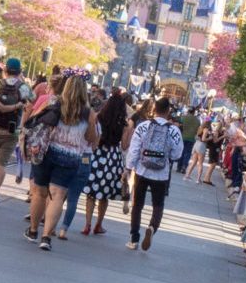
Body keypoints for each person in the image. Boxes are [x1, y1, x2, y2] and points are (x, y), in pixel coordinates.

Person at [27, 73, 98, 250]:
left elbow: (34, 120)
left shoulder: (52, 102)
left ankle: (34, 230)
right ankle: (46, 237)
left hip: (47, 152)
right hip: (71, 157)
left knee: (40, 193)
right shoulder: (88, 113)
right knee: (58, 196)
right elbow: (91, 139)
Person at [125, 99, 184, 251]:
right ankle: (152, 228)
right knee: (158, 206)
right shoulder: (174, 130)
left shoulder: (143, 126)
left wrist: (128, 167)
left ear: (154, 109)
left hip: (141, 171)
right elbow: (177, 154)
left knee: (137, 205)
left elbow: (134, 149)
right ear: (168, 110)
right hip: (161, 174)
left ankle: (134, 238)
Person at [79, 88, 131, 236]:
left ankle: (87, 225)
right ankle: (98, 225)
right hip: (113, 158)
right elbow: (124, 146)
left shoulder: (98, 117)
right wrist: (127, 132)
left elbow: (92, 136)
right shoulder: (123, 123)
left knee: (91, 193)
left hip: (97, 155)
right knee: (105, 194)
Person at [0, 57, 30, 207]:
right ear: (20, 71)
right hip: (12, 130)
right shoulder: (24, 87)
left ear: (5, 70)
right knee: (1, 164)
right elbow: (32, 100)